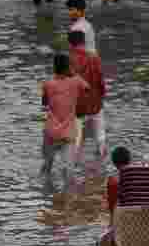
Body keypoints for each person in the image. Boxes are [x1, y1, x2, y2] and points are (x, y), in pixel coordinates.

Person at [41, 53, 90, 186]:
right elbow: (87, 88)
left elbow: (44, 103)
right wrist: (73, 74)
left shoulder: (47, 84)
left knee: (47, 165)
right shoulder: (76, 81)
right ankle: (68, 197)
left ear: (54, 67)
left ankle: (45, 192)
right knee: (69, 169)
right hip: (68, 133)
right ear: (68, 67)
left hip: (50, 132)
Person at [67, 30, 107, 164]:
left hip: (77, 105)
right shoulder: (94, 57)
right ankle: (101, 160)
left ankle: (73, 163)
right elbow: (101, 80)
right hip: (95, 101)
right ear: (84, 42)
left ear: (70, 44)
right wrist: (102, 95)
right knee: (100, 133)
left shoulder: (69, 60)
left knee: (76, 135)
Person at [105, 146, 131, 223]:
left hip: (125, 220)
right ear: (129, 160)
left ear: (114, 163)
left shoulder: (113, 182)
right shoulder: (141, 174)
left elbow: (113, 209)